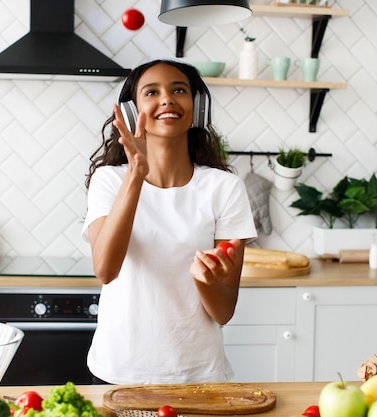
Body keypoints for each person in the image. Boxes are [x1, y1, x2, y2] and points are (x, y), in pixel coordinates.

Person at [81, 59, 257, 385]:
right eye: (152, 92)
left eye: (179, 90)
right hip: (119, 372)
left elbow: (224, 312)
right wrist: (136, 174)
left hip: (199, 377)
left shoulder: (224, 188)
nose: (167, 99)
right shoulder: (108, 180)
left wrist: (204, 280)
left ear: (198, 107)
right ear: (133, 112)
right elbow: (105, 269)